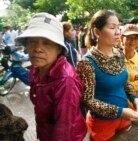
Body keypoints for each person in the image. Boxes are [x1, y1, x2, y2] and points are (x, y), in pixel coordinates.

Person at [16, 12, 88, 141]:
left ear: (59, 48)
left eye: (47, 43)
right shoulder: (36, 67)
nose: (37, 49)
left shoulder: (65, 80)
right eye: (32, 41)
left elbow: (64, 128)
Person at [76, 10, 138, 141]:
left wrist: (134, 97)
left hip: (124, 118)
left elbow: (124, 81)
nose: (118, 32)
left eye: (118, 27)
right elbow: (87, 100)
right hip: (102, 125)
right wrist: (119, 111)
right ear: (97, 32)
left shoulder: (119, 54)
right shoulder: (87, 63)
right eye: (112, 27)